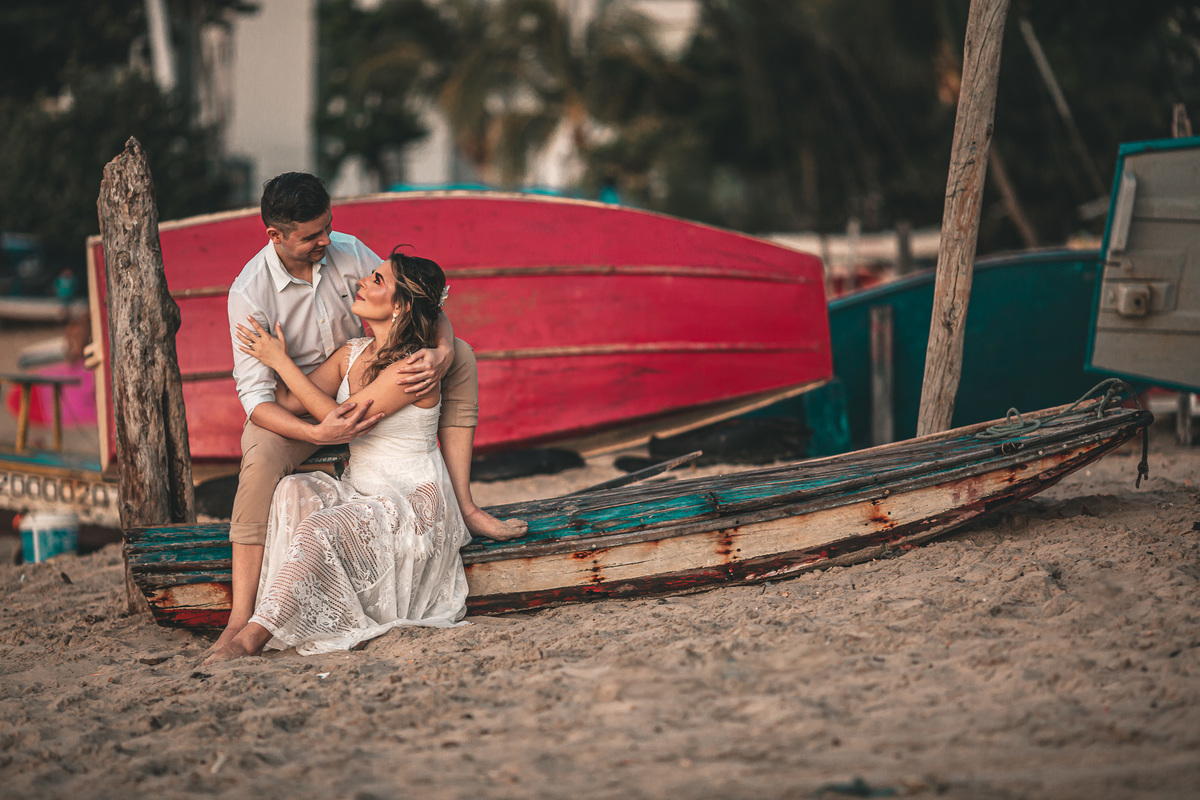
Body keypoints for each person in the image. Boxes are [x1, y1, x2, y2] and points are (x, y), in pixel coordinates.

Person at [209, 173, 524, 656]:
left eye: (328, 227)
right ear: (276, 236)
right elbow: (258, 401)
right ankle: (239, 619)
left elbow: (419, 300)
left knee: (461, 352)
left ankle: (465, 506)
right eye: (313, 235)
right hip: (302, 404)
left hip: (362, 398)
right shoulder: (249, 294)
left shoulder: (352, 256)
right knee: (262, 463)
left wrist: (439, 350)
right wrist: (312, 419)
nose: (327, 241)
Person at [204, 250, 470, 663]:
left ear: (400, 306)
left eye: (377, 281)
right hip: (362, 489)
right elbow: (291, 400)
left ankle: (251, 637)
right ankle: (279, 611)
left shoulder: (413, 367)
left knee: (319, 530)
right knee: (291, 490)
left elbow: (342, 420)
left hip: (411, 500)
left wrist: (279, 359)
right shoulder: (352, 352)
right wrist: (264, 369)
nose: (362, 283)